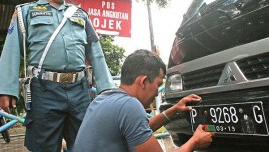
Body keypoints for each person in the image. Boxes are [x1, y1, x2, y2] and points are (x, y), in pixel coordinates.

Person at [0, 0, 115, 151]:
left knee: (87, 144)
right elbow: (11, 50)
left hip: (80, 90)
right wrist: (5, 90)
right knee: (44, 146)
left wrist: (107, 88)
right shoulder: (26, 12)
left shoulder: (80, 14)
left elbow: (96, 52)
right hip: (44, 91)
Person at [73, 49, 214, 152]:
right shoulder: (130, 106)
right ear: (143, 81)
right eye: (158, 85)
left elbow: (138, 129)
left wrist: (174, 110)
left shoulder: (104, 99)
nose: (157, 93)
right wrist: (194, 142)